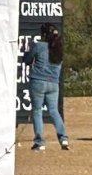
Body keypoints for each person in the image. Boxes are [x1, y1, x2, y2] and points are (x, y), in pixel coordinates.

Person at [24, 23, 69, 151]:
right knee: (54, 111)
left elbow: (27, 60)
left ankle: (40, 142)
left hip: (38, 81)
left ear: (43, 34)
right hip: (54, 83)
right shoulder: (59, 49)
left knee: (37, 111)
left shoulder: (39, 46)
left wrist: (27, 50)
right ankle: (63, 139)